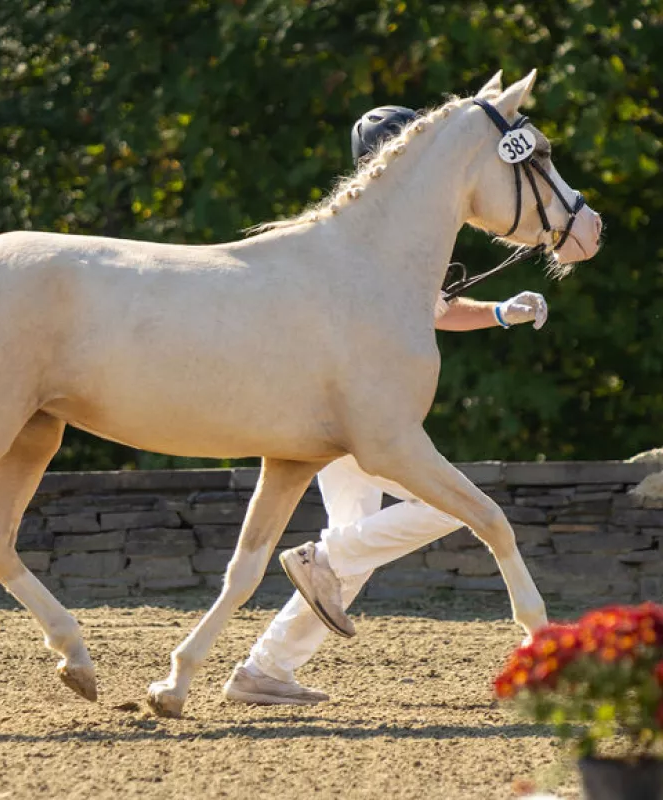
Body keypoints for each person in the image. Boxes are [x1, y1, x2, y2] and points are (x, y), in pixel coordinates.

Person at [222, 106, 549, 706]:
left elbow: (435, 309)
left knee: (360, 548)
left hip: (330, 416)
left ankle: (264, 669)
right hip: (343, 417)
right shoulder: (370, 236)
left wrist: (502, 311)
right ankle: (319, 563)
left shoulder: (376, 232)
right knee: (451, 509)